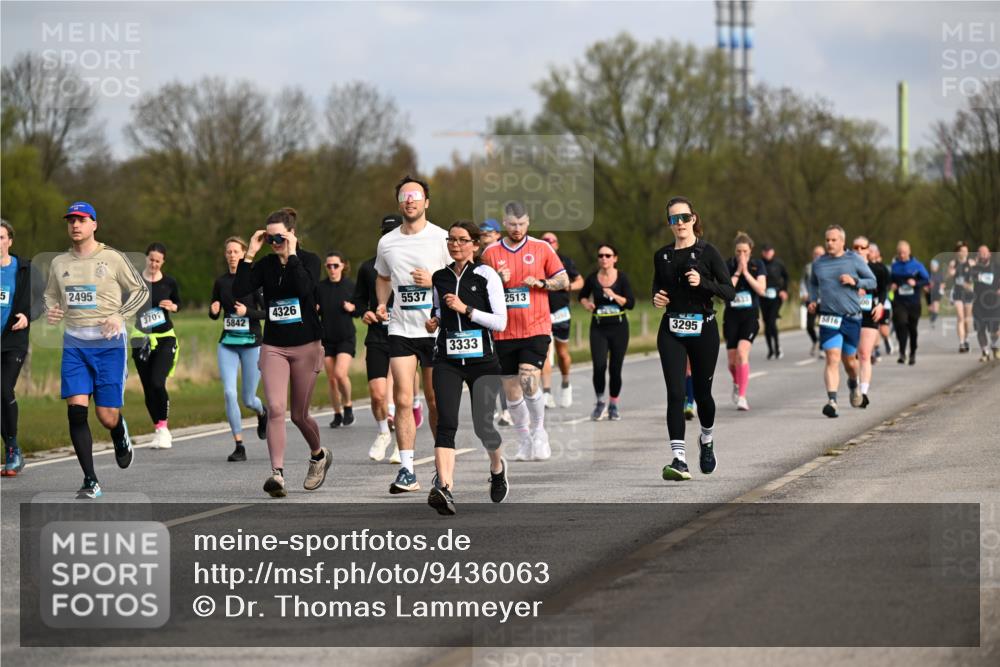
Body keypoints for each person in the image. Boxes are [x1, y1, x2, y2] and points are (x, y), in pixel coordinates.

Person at [43, 201, 147, 498]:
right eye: (71, 220)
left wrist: (119, 315)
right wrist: (52, 310)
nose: (75, 225)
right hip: (75, 344)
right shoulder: (58, 263)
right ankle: (91, 480)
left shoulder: (113, 258)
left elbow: (140, 291)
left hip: (109, 346)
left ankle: (119, 430)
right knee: (76, 413)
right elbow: (50, 296)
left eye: (82, 219)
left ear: (94, 224)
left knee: (105, 416)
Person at [234, 207, 330, 498]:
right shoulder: (264, 266)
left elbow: (303, 289)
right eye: (270, 238)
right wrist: (249, 254)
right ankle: (277, 474)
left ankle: (318, 455)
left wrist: (292, 256)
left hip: (306, 345)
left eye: (280, 237)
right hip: (274, 345)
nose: (275, 243)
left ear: (292, 234)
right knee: (276, 408)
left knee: (300, 415)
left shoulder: (310, 261)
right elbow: (239, 290)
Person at [424, 221, 509, 514]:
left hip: (483, 361)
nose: (455, 245)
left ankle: (497, 469)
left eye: (462, 240)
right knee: (446, 422)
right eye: (451, 239)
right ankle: (444, 487)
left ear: (474, 244)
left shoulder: (486, 275)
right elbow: (436, 309)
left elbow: (501, 321)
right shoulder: (440, 277)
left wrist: (466, 309)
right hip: (447, 360)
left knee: (484, 425)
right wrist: (434, 320)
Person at [375, 176, 451, 494]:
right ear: (399, 202)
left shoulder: (443, 238)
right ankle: (407, 470)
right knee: (403, 399)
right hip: (401, 328)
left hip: (434, 330)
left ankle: (439, 467)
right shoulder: (387, 242)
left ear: (426, 203)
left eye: (416, 196)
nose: (410, 201)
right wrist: (381, 303)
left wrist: (433, 280)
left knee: (434, 401)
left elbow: (459, 278)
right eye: (405, 196)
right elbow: (382, 276)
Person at [653, 196, 734, 481]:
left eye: (684, 218)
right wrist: (658, 298)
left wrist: (704, 283)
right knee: (675, 393)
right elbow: (657, 291)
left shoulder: (708, 252)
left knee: (702, 395)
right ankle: (679, 459)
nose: (680, 224)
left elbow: (729, 291)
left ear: (693, 219)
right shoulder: (662, 255)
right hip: (672, 329)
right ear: (669, 224)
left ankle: (707, 440)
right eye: (674, 219)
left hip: (704, 329)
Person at [481, 201, 568, 462]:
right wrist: (497, 279)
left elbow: (563, 280)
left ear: (528, 223)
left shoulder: (541, 248)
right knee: (511, 391)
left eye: (521, 224)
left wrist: (542, 282)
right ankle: (524, 439)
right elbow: (480, 292)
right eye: (512, 224)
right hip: (504, 331)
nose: (517, 229)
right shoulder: (490, 252)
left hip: (535, 327)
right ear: (504, 224)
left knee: (529, 380)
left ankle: (540, 431)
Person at [806, 226, 877, 418]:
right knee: (832, 357)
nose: (829, 243)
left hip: (851, 318)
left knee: (850, 363)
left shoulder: (854, 259)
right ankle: (832, 401)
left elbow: (872, 281)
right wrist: (813, 300)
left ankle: (853, 384)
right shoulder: (819, 263)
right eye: (827, 240)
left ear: (842, 242)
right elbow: (812, 283)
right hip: (829, 317)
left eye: (833, 240)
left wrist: (855, 281)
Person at [209, 236, 268, 462]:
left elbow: (267, 312)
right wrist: (214, 311)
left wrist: (248, 313)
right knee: (228, 392)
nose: (232, 256)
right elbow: (214, 311)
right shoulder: (221, 282)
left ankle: (262, 412)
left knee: (248, 399)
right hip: (228, 345)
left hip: (252, 344)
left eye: (236, 252)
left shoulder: (255, 281)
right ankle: (239, 445)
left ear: (243, 254)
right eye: (229, 252)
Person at [353, 214, 402, 462]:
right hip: (377, 336)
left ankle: (401, 446)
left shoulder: (408, 264)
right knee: (377, 394)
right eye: (385, 233)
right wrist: (366, 312)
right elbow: (359, 299)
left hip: (403, 336)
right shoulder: (367, 268)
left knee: (400, 393)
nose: (388, 238)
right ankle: (384, 433)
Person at [1, 220, 44, 477]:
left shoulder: (25, 268)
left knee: (3, 388)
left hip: (13, 341)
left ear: (10, 241)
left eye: (1, 237)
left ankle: (13, 446)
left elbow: (42, 300)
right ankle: (12, 450)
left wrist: (28, 316)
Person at [130, 243, 181, 450]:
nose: (154, 264)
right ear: (146, 258)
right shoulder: (134, 281)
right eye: (151, 259)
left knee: (157, 382)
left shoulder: (169, 282)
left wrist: (172, 306)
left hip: (164, 337)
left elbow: (178, 304)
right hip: (140, 339)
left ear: (163, 262)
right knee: (148, 388)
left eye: (158, 261)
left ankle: (165, 427)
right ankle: (159, 429)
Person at [579, 244, 635, 421]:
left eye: (608, 255)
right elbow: (582, 295)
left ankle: (613, 404)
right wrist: (587, 304)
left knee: (615, 369)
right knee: (599, 366)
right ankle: (600, 402)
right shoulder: (592, 278)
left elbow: (631, 304)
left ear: (615, 258)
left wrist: (614, 295)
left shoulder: (622, 278)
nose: (604, 258)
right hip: (598, 328)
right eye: (601, 255)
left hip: (619, 328)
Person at [724, 232, 768, 411]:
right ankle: (737, 383)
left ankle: (742, 396)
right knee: (732, 362)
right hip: (731, 317)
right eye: (738, 251)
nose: (742, 255)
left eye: (745, 251)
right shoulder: (728, 265)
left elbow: (761, 290)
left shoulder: (758, 265)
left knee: (743, 353)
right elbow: (726, 291)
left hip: (750, 317)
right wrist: (737, 272)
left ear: (751, 251)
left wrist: (747, 273)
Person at [540, 232, 583, 409]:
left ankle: (566, 384)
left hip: (561, 312)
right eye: (545, 241)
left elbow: (580, 281)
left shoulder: (564, 261)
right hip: (542, 313)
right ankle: (547, 392)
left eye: (552, 241)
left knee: (562, 353)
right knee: (545, 354)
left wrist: (569, 286)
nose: (549, 243)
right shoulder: (536, 260)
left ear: (557, 244)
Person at [317, 250, 357, 429]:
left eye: (335, 265)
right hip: (326, 339)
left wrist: (353, 308)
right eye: (328, 266)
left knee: (341, 374)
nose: (332, 269)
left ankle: (348, 405)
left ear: (343, 266)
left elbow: (361, 308)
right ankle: (337, 413)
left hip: (346, 337)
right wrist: (315, 308)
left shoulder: (350, 286)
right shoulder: (320, 288)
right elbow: (313, 310)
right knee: (332, 379)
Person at [852, 236, 889, 408]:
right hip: (851, 314)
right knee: (853, 356)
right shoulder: (847, 268)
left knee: (865, 354)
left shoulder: (878, 269)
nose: (859, 250)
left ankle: (863, 392)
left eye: (862, 247)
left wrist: (880, 305)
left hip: (870, 313)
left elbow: (883, 291)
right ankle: (855, 386)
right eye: (856, 247)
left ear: (868, 250)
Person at [890, 240, 929, 365]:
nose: (902, 255)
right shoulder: (895, 266)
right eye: (900, 253)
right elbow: (890, 281)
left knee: (912, 328)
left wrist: (916, 283)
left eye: (904, 253)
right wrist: (892, 285)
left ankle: (912, 352)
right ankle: (902, 352)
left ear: (909, 252)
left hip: (913, 302)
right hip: (899, 301)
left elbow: (926, 279)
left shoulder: (917, 265)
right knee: (901, 324)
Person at [969, 245, 1000, 362]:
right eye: (980, 253)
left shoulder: (996, 267)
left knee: (994, 330)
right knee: (980, 329)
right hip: (979, 304)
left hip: (994, 303)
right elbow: (968, 281)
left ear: (989, 254)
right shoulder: (974, 269)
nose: (983, 255)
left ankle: (994, 345)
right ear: (977, 255)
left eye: (985, 253)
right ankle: (985, 352)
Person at [759, 243, 789, 359]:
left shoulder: (779, 263)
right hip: (763, 297)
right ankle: (770, 350)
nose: (767, 253)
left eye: (769, 251)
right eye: (765, 251)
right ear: (762, 252)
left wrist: (784, 290)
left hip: (776, 296)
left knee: (771, 322)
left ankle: (777, 348)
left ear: (773, 252)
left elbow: (786, 277)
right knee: (767, 324)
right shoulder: (758, 264)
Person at [949, 241, 976, 354]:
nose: (964, 253)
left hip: (969, 293)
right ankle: (961, 343)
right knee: (960, 317)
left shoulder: (971, 263)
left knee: (967, 319)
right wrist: (952, 272)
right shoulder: (953, 263)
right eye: (961, 251)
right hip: (958, 292)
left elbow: (976, 276)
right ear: (957, 252)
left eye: (965, 250)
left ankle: (967, 339)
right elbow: (949, 275)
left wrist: (971, 284)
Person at [800, 245, 825, 356]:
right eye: (816, 254)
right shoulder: (808, 267)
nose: (818, 256)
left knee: (823, 325)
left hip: (824, 300)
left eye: (820, 254)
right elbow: (803, 282)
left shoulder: (828, 266)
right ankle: (815, 340)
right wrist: (804, 293)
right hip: (811, 299)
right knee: (810, 325)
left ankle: (822, 348)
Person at [870, 243, 894, 357]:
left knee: (883, 329)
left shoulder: (882, 268)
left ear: (877, 253)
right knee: (873, 328)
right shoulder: (860, 266)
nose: (869, 253)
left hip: (883, 302)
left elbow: (887, 285)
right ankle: (876, 349)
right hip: (867, 302)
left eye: (872, 251)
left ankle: (887, 339)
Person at [927, 258, 945, 328]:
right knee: (930, 308)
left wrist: (942, 286)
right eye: (932, 266)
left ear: (937, 267)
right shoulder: (928, 274)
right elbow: (925, 284)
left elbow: (943, 283)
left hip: (937, 292)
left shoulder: (940, 274)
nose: (933, 267)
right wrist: (928, 286)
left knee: (936, 308)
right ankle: (932, 318)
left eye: (934, 266)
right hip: (929, 293)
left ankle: (933, 321)